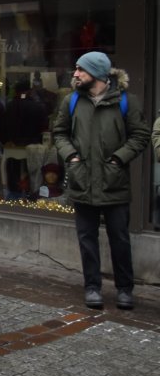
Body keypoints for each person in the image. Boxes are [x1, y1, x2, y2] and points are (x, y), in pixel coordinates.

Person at [52, 52, 149, 310]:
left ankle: (124, 289)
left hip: (114, 183)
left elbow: (140, 135)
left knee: (120, 239)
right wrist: (71, 156)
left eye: (80, 69)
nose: (75, 74)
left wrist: (118, 159)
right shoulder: (72, 100)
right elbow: (59, 133)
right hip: (82, 181)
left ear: (96, 72)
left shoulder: (126, 101)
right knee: (87, 239)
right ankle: (92, 287)